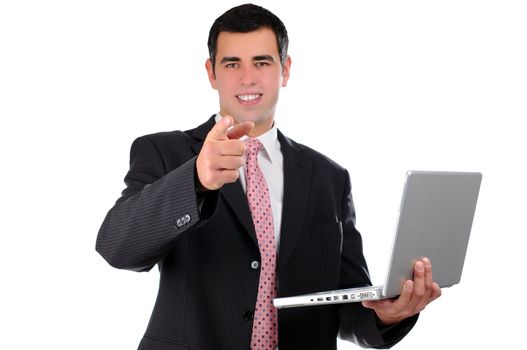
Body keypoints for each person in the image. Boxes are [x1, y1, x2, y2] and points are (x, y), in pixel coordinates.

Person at [96, 4, 441, 349]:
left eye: (262, 62)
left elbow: (345, 307)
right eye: (232, 64)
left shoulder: (329, 177)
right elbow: (117, 248)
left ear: (285, 70)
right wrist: (196, 179)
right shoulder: (165, 152)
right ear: (211, 73)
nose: (248, 78)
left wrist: (388, 314)